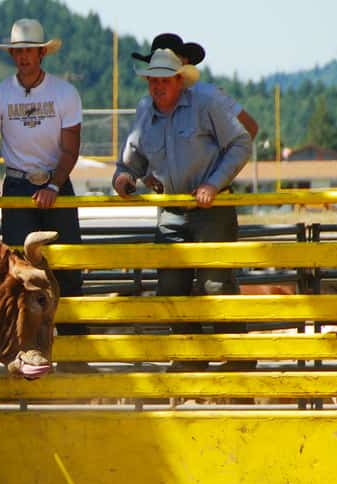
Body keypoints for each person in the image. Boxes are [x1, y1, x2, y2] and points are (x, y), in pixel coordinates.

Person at [113, 48, 252, 369]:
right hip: (172, 209)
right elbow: (130, 162)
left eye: (164, 79)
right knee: (170, 287)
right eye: (152, 80)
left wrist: (213, 184)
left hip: (212, 207)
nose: (157, 86)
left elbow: (242, 142)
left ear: (179, 80)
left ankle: (237, 361)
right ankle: (191, 359)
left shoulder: (205, 104)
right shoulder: (145, 111)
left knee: (216, 284)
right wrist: (123, 178)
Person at [0, 18, 84, 335]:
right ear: (12, 55)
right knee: (19, 269)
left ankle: (76, 343)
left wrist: (54, 184)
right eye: (17, 51)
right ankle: (23, 342)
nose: (23, 57)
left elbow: (71, 147)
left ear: (41, 54)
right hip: (18, 185)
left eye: (29, 51)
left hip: (55, 181)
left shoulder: (65, 93)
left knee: (67, 267)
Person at [132, 33, 258, 144]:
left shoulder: (210, 95)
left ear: (185, 61)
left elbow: (250, 128)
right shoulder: (146, 107)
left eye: (171, 58)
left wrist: (222, 168)